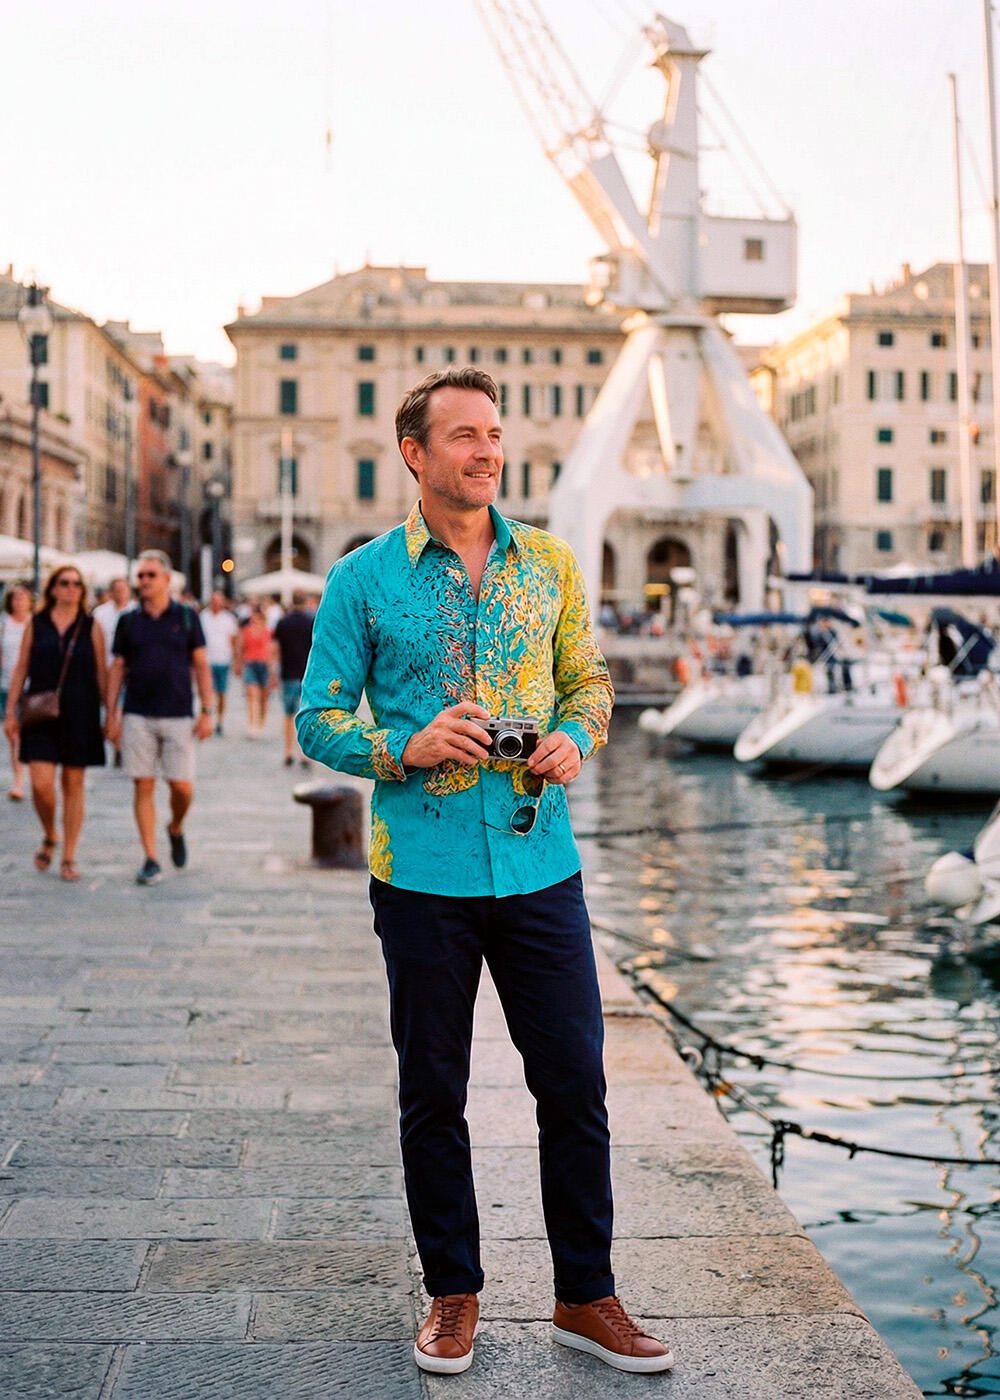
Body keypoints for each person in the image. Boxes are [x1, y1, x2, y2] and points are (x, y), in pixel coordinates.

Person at [297, 367, 672, 1377]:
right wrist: (401, 746)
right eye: (462, 434)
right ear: (415, 454)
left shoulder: (548, 562)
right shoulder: (363, 578)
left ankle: (584, 1293)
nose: (486, 448)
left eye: (492, 432)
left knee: (575, 1083)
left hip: (539, 860)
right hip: (418, 868)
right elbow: (316, 714)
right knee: (434, 1088)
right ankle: (451, 1292)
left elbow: (589, 682)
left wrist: (572, 737)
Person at [105, 550, 214, 885]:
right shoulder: (128, 621)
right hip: (137, 712)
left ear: (167, 579)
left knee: (181, 787)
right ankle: (151, 857)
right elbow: (118, 668)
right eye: (141, 576)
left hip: (179, 713)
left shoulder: (185, 616)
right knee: (143, 783)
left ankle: (175, 826)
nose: (144, 581)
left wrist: (208, 710)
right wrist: (111, 714)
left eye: (151, 575)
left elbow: (200, 664)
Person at [3, 567, 106, 881]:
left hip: (81, 710)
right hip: (41, 711)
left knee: (73, 784)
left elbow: (102, 671)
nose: (71, 589)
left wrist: (110, 714)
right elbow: (21, 667)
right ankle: (51, 832)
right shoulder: (38, 623)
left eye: (77, 584)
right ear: (53, 588)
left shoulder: (91, 625)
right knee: (42, 784)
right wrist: (10, 712)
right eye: (65, 583)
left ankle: (69, 855)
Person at [93, 576, 136, 766]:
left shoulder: (136, 611)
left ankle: (122, 746)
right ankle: (119, 745)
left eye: (123, 589)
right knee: (112, 710)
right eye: (117, 589)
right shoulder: (100, 613)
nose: (120, 592)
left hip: (132, 671)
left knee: (125, 712)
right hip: (108, 670)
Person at [271, 590, 314, 766]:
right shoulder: (311, 622)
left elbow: (274, 649)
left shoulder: (282, 622)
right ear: (305, 602)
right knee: (306, 714)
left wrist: (273, 672)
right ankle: (304, 754)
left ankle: (288, 750)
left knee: (288, 715)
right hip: (307, 674)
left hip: (288, 673)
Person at [1, 583, 33, 800]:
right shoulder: (3, 624)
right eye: (15, 598)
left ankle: (31, 774)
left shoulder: (36, 623)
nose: (19, 601)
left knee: (27, 734)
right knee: (13, 733)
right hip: (6, 685)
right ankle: (19, 780)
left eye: (23, 597)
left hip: (33, 688)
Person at [199, 591, 240, 735]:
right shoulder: (203, 617)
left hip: (223, 659)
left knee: (222, 693)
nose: (216, 603)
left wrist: (236, 661)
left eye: (218, 601)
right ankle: (208, 717)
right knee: (208, 691)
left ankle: (220, 720)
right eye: (214, 600)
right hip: (207, 660)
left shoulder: (228, 619)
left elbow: (234, 640)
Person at [237, 605, 273, 738]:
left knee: (264, 697)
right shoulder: (246, 631)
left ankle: (261, 724)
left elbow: (271, 650)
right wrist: (238, 664)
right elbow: (241, 647)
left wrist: (272, 669)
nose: (254, 621)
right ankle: (251, 725)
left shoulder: (268, 631)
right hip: (250, 663)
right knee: (252, 696)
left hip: (263, 664)